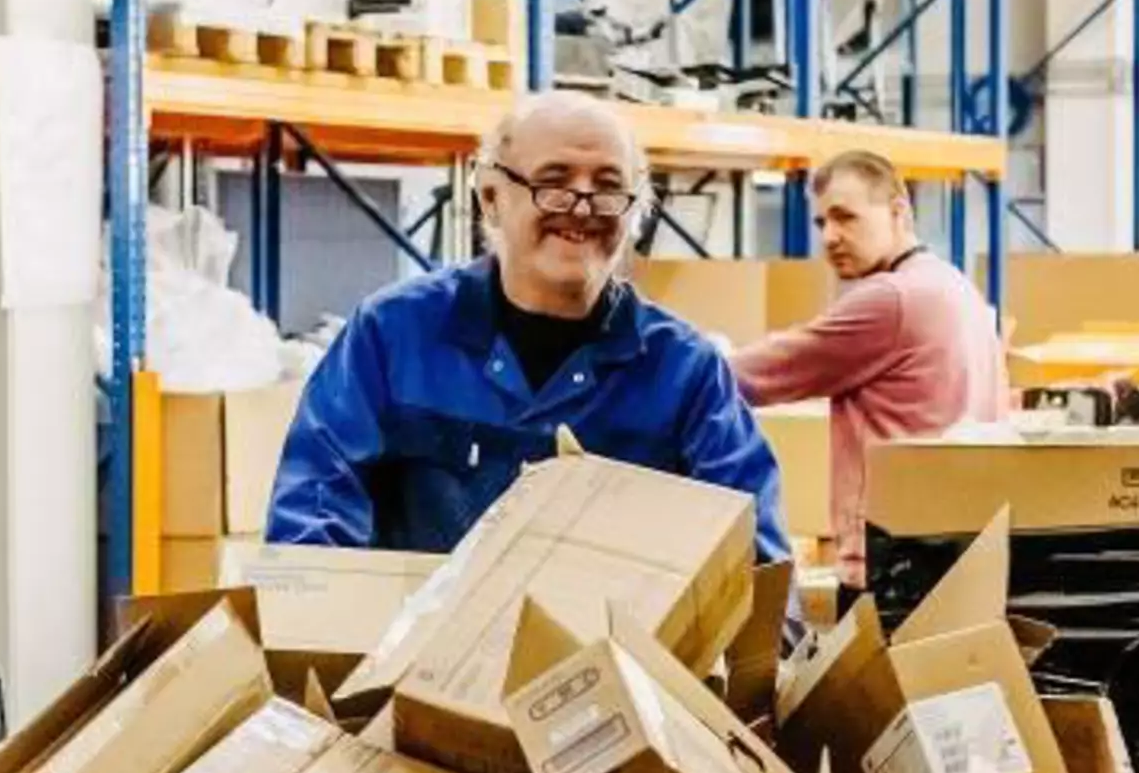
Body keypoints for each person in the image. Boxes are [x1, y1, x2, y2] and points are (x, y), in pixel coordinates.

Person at [264, 91, 787, 557]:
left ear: (635, 213)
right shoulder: (392, 336)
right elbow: (312, 516)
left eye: (608, 187)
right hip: (416, 663)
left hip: (607, 665)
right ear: (491, 197)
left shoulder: (684, 374)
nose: (581, 207)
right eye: (553, 183)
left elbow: (754, 554)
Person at [725, 149, 1006, 580]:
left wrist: (681, 358)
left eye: (845, 217)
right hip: (957, 551)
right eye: (822, 222)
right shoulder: (955, 286)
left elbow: (753, 375)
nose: (830, 236)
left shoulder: (892, 300)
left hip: (889, 563)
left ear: (899, 212)